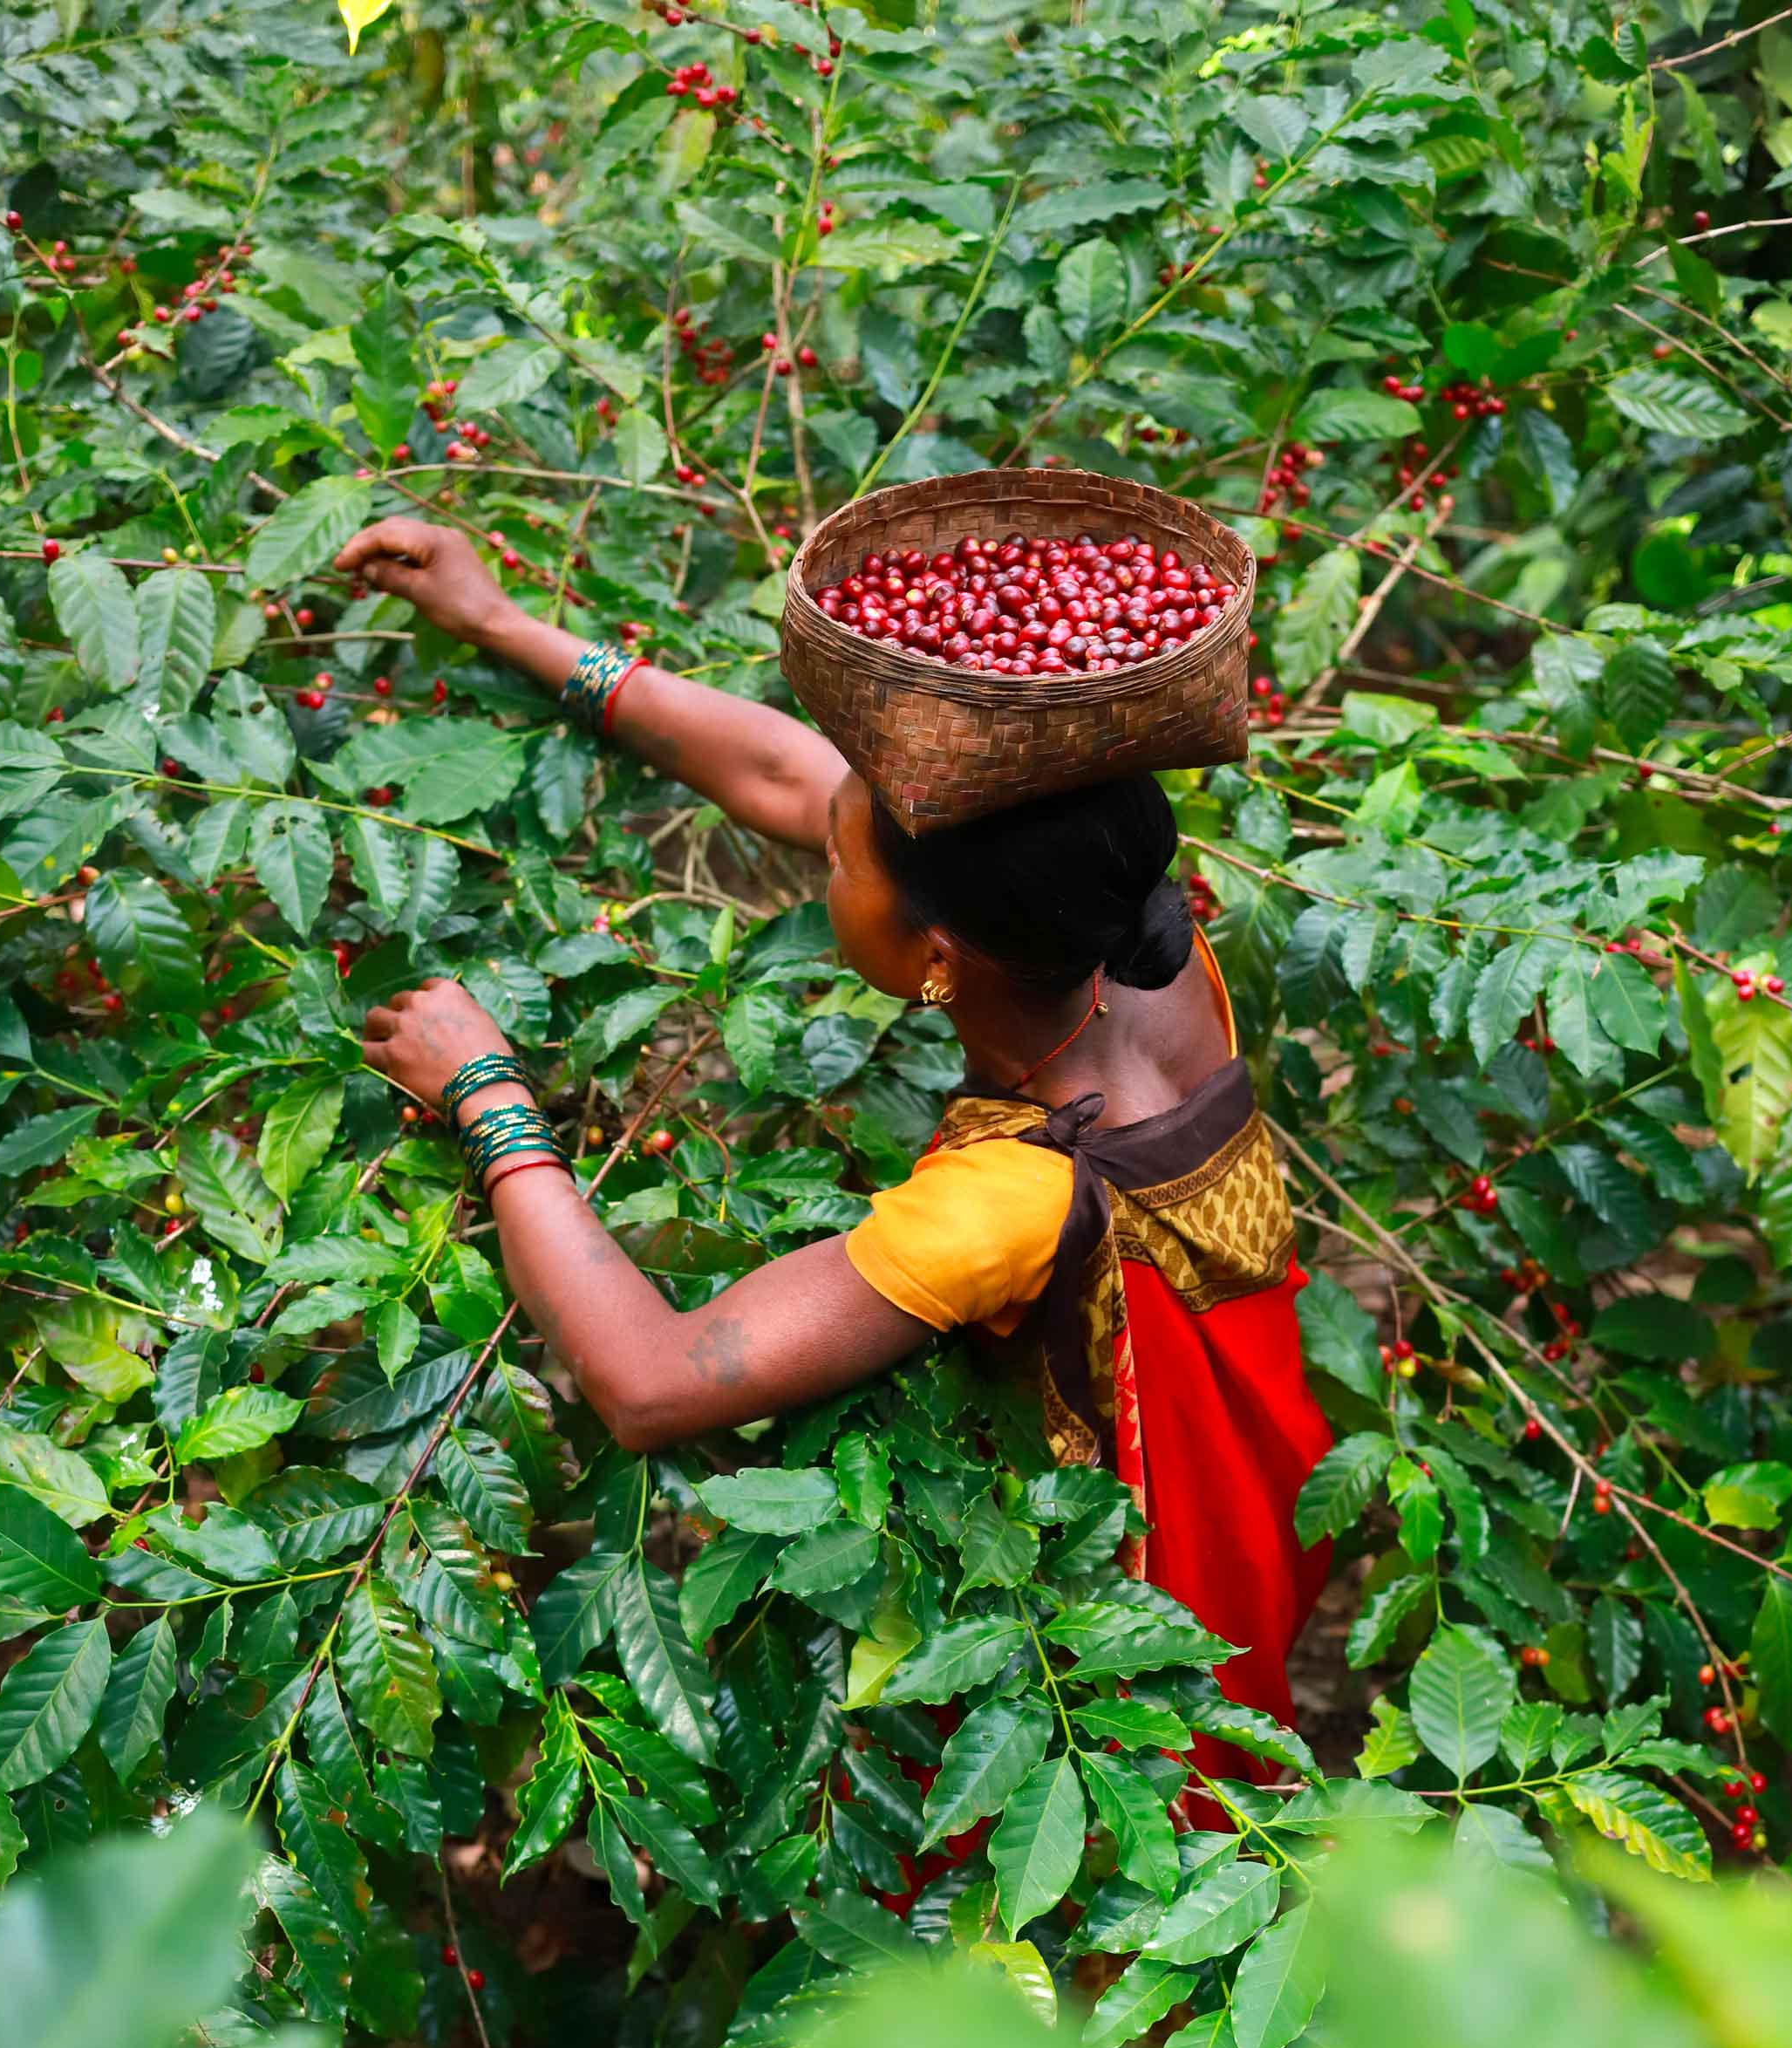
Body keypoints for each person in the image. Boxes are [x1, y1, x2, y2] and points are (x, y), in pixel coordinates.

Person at [336, 518, 1332, 1742]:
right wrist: (506, 625)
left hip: (1142, 1600)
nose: (824, 843)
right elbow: (791, 781)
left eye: (843, 861)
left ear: (933, 960)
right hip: (1267, 1471)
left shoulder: (1004, 1202)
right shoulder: (1140, 943)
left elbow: (650, 1384)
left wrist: (486, 1096)